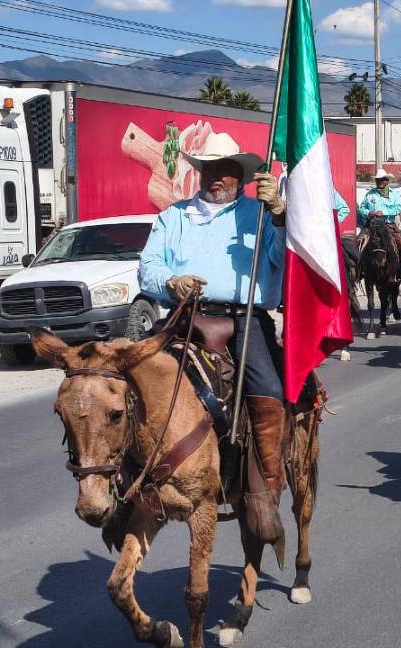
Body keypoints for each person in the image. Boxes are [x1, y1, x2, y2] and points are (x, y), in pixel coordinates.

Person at [138, 132, 289, 542]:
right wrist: (171, 282)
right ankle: (126, 480)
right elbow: (147, 265)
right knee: (128, 375)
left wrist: (279, 215)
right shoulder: (173, 216)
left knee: (269, 388)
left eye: (223, 170)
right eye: (207, 169)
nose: (214, 177)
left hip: (243, 320)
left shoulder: (258, 216)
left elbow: (284, 257)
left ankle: (266, 488)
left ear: (240, 176)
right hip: (184, 316)